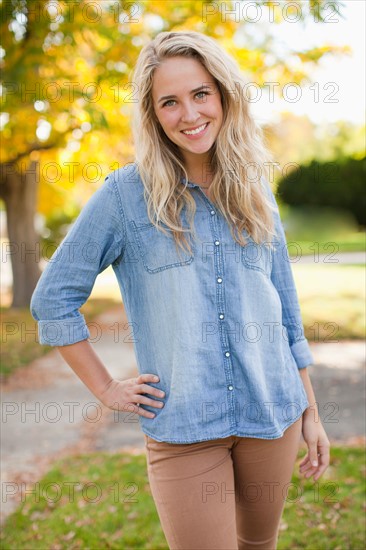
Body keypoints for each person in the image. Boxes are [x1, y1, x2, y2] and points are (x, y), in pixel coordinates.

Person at [30, 31, 330, 550]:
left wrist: (312, 412)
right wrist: (106, 389)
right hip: (185, 429)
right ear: (152, 114)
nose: (188, 113)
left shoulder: (255, 188)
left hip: (273, 416)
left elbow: (284, 307)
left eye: (200, 94)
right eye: (169, 101)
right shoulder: (125, 196)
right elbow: (52, 298)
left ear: (223, 95)